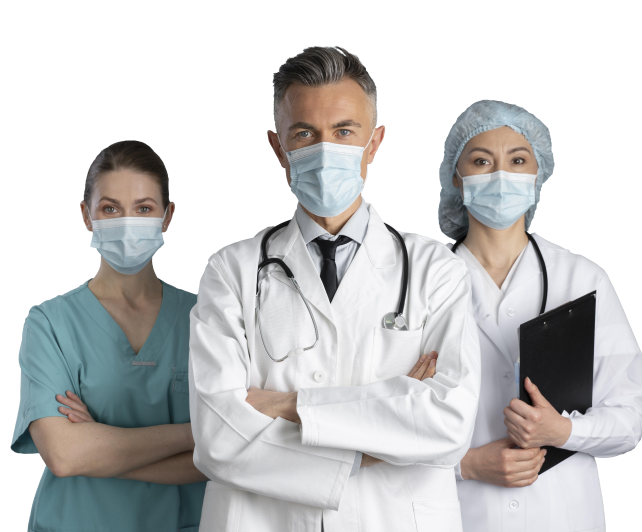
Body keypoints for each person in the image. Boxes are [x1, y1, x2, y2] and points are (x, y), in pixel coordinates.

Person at [186, 45, 481, 532]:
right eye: (304, 133)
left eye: (344, 132)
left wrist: (287, 405)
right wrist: (380, 437)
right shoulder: (230, 270)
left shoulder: (435, 269)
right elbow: (218, 439)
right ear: (278, 148)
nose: (325, 150)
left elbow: (448, 425)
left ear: (374, 143)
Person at [438, 100, 642, 532]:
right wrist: (465, 465)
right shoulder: (423, 279)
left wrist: (562, 432)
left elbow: (630, 418)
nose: (501, 176)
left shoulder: (582, 277)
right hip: (459, 513)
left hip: (561, 515)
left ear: (538, 175)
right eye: (481, 161)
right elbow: (386, 423)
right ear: (456, 177)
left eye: (518, 160)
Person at [11, 140, 210, 532]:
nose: (127, 222)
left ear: (167, 216)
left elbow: (224, 456)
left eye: (144, 208)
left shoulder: (206, 318)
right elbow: (65, 455)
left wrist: (99, 449)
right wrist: (195, 434)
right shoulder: (49, 323)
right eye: (110, 209)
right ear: (86, 215)